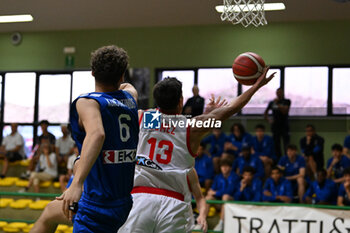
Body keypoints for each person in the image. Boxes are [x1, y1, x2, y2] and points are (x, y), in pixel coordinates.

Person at [119, 66, 275, 232]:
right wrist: (256, 86)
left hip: (140, 199)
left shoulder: (142, 117)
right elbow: (231, 109)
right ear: (181, 101)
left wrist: (124, 86)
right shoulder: (191, 126)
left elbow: (127, 97)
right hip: (173, 204)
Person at [56, 45, 140, 232]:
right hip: (123, 202)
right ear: (121, 76)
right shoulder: (130, 99)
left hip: (96, 202)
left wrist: (76, 184)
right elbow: (128, 87)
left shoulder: (88, 102)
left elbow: (97, 134)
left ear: (92, 73)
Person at [207, 159, 239, 232]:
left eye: (226, 167)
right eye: (222, 166)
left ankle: (221, 223)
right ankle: (202, 221)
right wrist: (211, 192)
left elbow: (229, 191)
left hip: (231, 202)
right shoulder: (218, 177)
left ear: (230, 168)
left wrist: (215, 193)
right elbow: (211, 190)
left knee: (225, 196)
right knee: (208, 197)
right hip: (220, 203)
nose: (224, 168)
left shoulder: (235, 177)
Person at [264, 88, 291, 159]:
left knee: (286, 144)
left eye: (280, 92)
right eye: (277, 92)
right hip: (275, 126)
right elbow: (266, 112)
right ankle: (278, 160)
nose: (278, 94)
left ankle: (287, 159)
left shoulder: (287, 101)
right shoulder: (272, 102)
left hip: (284, 126)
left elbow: (285, 111)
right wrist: (268, 120)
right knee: (276, 144)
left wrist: (278, 104)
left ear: (282, 93)